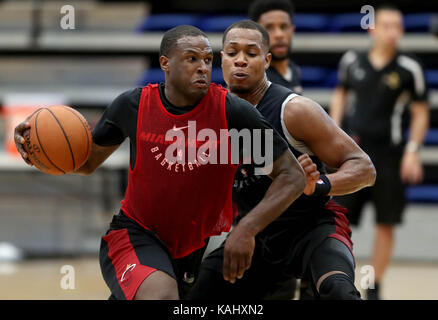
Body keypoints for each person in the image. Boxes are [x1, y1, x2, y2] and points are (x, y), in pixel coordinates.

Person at [14, 25, 306, 300]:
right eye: (191, 59)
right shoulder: (132, 105)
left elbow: (291, 176)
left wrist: (247, 228)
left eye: (207, 59)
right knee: (161, 295)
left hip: (195, 248)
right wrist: (36, 147)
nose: (203, 67)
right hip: (136, 234)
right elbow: (87, 162)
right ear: (165, 63)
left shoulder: (234, 114)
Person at [188, 20, 376, 300]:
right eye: (232, 53)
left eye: (251, 54)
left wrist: (319, 185)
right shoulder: (211, 116)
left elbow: (364, 168)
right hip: (257, 238)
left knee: (338, 291)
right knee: (196, 294)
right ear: (221, 59)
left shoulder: (295, 111)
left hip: (312, 230)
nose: (240, 60)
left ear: (266, 61)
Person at [329, 4, 429, 300]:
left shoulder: (410, 68)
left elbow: (421, 113)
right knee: (337, 219)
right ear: (372, 28)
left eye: (398, 26)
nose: (393, 32)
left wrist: (413, 151)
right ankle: (337, 276)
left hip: (390, 156)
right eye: (386, 26)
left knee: (385, 223)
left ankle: (374, 285)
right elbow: (340, 95)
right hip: (352, 154)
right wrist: (333, 135)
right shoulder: (351, 61)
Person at [249, 0, 302, 94]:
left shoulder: (294, 69)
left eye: (284, 27)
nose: (279, 35)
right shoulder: (252, 78)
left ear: (292, 30)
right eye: (269, 27)